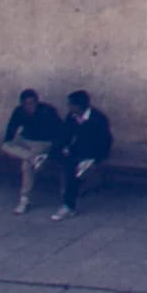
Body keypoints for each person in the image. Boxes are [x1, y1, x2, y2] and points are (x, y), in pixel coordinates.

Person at [42, 88, 112, 218]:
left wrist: (94, 159)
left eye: (71, 105)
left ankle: (69, 206)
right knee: (58, 157)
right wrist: (62, 147)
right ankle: (72, 192)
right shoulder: (71, 116)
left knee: (73, 171)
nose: (68, 107)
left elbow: (105, 142)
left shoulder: (98, 119)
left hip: (93, 153)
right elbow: (65, 134)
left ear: (79, 106)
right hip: (77, 150)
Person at [0, 87, 61, 213]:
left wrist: (54, 147)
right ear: (22, 104)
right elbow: (11, 128)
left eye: (33, 103)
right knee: (5, 146)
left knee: (26, 165)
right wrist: (10, 143)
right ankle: (33, 158)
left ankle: (24, 199)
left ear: (37, 102)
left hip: (43, 142)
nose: (30, 106)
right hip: (25, 140)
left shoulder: (47, 111)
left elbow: (60, 129)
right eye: (26, 104)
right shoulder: (19, 111)